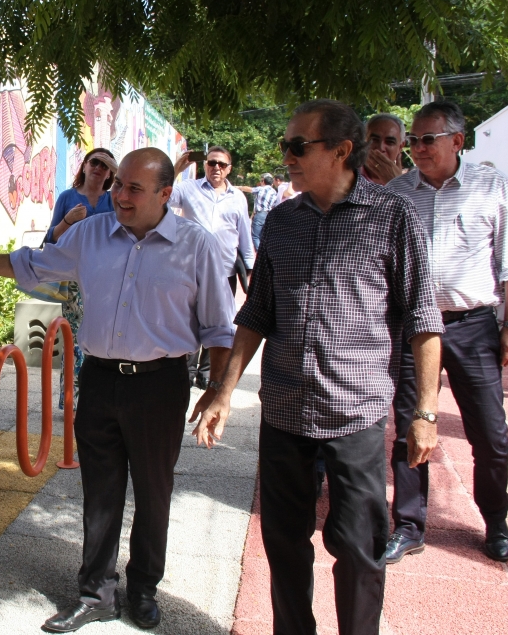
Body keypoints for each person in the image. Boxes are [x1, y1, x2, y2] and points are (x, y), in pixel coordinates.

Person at [0, 148, 236, 632]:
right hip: (98, 380)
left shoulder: (196, 246)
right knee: (100, 490)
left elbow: (218, 329)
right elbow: (31, 267)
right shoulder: (91, 234)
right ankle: (95, 591)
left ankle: (142, 588)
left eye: (133, 189)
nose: (119, 194)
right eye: (118, 184)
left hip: (160, 386)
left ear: (165, 193)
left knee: (154, 490)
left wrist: (217, 393)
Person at [193, 99, 444, 635]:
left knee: (358, 550)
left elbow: (424, 319)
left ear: (341, 151)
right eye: (286, 144)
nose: (285, 155)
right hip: (283, 412)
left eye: (296, 145)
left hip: (355, 415)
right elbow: (257, 312)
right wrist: (221, 391)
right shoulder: (281, 221)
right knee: (284, 547)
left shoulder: (393, 219)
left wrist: (425, 411)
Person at [385, 101, 508, 564]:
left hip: (472, 326)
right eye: (413, 141)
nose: (417, 149)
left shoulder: (491, 188)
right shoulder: (400, 193)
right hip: (413, 328)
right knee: (409, 427)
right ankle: (408, 524)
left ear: (457, 141)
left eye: (427, 140)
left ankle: (495, 519)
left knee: (490, 433)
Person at [169, 146, 254, 389]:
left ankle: (206, 371)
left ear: (229, 169)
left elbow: (244, 235)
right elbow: (160, 195)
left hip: (224, 271)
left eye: (222, 165)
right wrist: (176, 170)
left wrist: (249, 267)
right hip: (189, 268)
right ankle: (188, 367)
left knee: (219, 322)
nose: (216, 168)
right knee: (188, 319)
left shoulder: (237, 197)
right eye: (212, 162)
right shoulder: (187, 189)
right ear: (205, 164)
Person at [45, 148, 117, 412]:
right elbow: (50, 240)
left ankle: (100, 398)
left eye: (105, 164)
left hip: (110, 281)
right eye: (94, 162)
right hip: (76, 281)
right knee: (75, 342)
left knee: (106, 339)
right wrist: (68, 220)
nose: (98, 167)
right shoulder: (68, 197)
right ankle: (73, 401)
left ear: (111, 173)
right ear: (84, 166)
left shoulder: (114, 200)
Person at [361, 113, 406, 185]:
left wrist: (397, 184)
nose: (381, 148)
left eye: (390, 142)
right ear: (364, 141)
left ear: (400, 147)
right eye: (374, 140)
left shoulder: (411, 185)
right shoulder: (347, 175)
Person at [239, 173, 279, 249]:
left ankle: (259, 254)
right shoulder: (275, 192)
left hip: (260, 214)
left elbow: (249, 189)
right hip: (269, 215)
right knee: (262, 236)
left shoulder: (261, 188)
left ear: (263, 181)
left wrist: (238, 187)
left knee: (255, 236)